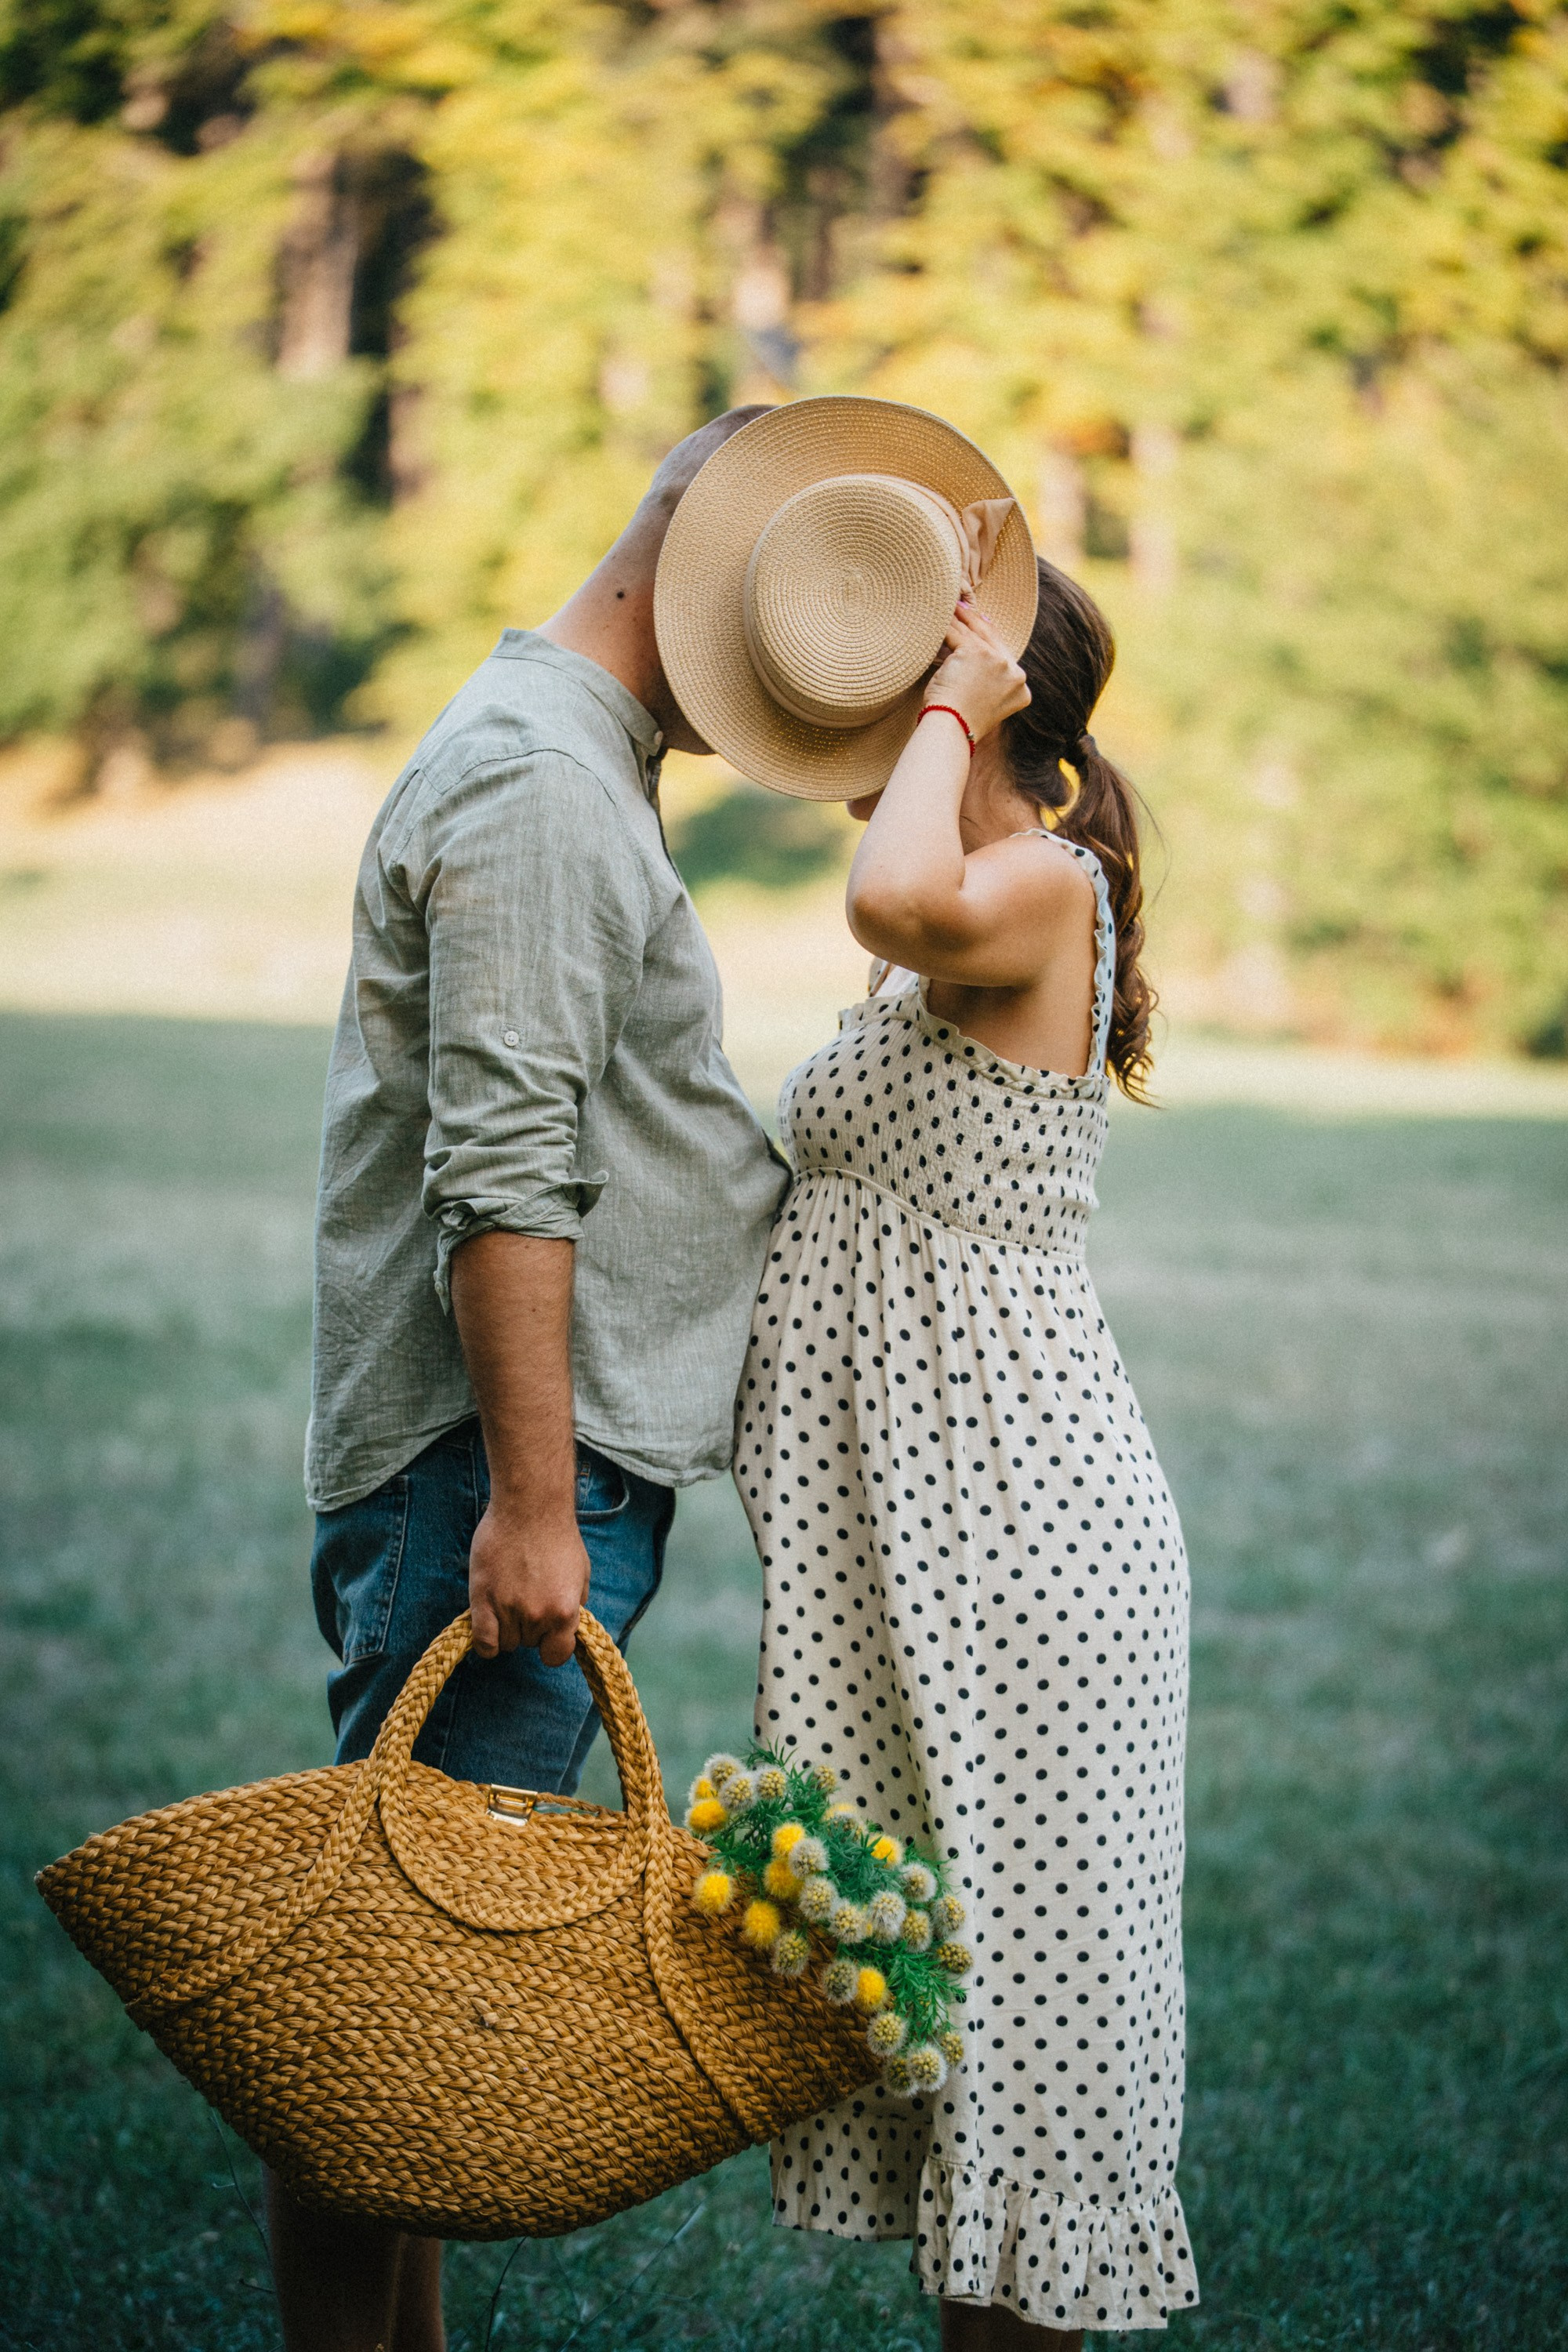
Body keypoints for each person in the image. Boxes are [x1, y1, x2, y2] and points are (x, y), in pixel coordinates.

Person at [272, 405, 789, 2352]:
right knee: (376, 2014)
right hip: (493, 1482)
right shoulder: (545, 789)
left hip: (507, 1471)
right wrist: (536, 1505)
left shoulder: (562, 754)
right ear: (671, 574)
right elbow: (502, 1176)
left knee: (393, 1999)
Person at [728, 558, 1200, 2339]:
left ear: (991, 710)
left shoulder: (1040, 884)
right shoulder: (976, 906)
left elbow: (882, 895)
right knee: (958, 2023)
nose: (862, 727)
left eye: (897, 694)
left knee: (1033, 2037)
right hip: (928, 1548)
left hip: (1022, 1551)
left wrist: (950, 698)